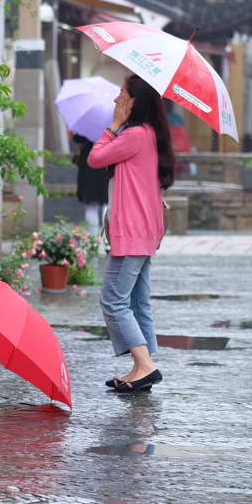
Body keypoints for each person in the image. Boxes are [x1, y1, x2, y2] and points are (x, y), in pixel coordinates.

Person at [87, 74, 176, 392]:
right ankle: (141, 365)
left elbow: (95, 158)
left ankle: (146, 366)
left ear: (135, 102)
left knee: (112, 299)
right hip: (145, 231)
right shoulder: (150, 134)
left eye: (122, 94)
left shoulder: (135, 135)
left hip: (133, 232)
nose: (116, 100)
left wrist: (113, 126)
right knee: (138, 301)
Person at [70, 133, 109, 236]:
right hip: (107, 162)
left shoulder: (87, 124)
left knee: (91, 204)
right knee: (108, 203)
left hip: (88, 163)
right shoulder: (113, 123)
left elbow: (77, 138)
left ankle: (93, 240)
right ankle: (107, 240)